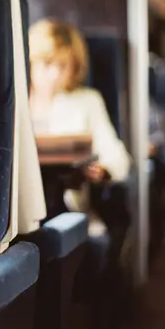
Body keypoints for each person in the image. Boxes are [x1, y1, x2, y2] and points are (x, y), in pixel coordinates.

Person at [28, 19, 131, 237]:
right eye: (47, 64)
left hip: (67, 208)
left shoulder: (87, 101)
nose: (55, 74)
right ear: (30, 63)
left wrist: (102, 170)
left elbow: (118, 157)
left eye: (63, 65)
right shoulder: (12, 104)